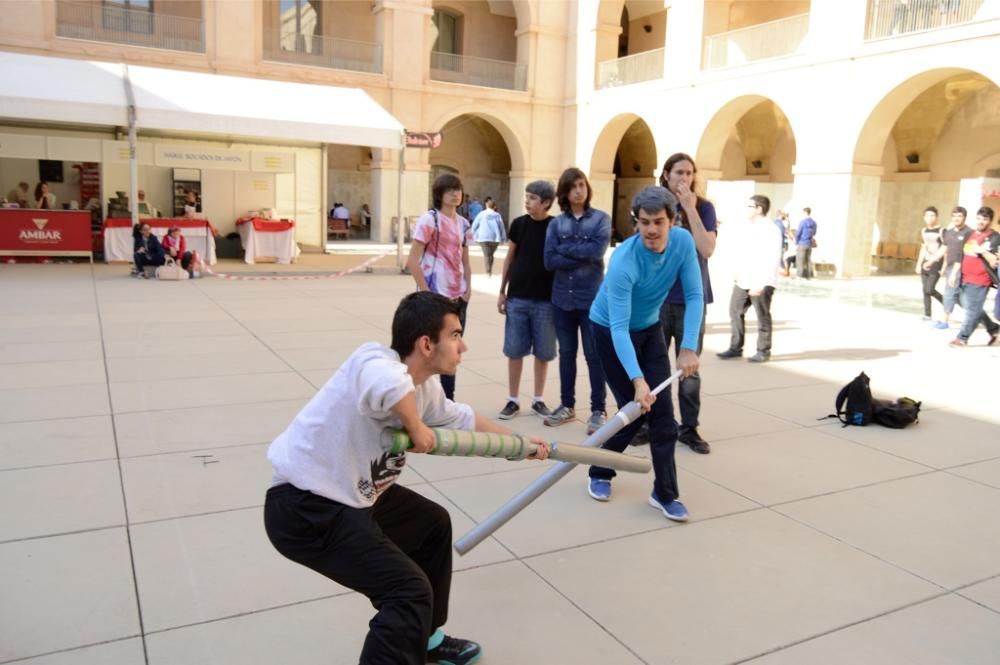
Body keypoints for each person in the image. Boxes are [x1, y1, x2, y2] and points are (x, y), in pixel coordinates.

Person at [264, 292, 548, 665]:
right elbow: (386, 385)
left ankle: (427, 640)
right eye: (456, 335)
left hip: (356, 496)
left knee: (431, 525)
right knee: (407, 592)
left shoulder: (424, 387)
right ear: (426, 344)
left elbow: (463, 420)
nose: (464, 346)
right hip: (305, 507)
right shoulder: (373, 360)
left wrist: (518, 444)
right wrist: (415, 426)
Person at [586, 186, 702, 522]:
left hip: (650, 330)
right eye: (644, 222)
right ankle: (600, 471)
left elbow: (694, 295)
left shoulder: (682, 243)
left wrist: (688, 347)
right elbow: (619, 327)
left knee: (664, 420)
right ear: (636, 222)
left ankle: (665, 493)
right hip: (609, 331)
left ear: (672, 221)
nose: (651, 230)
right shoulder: (624, 260)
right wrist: (638, 381)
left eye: (659, 222)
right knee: (633, 412)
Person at [656, 153, 717, 455]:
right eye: (679, 172)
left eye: (690, 173)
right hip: (657, 299)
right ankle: (653, 422)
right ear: (666, 174)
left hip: (691, 299)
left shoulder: (704, 208)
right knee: (653, 364)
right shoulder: (656, 207)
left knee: (688, 367)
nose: (684, 178)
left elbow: (706, 249)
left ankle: (689, 428)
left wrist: (690, 209)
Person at [543, 167, 611, 435]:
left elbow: (597, 250)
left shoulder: (601, 219)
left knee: (595, 356)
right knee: (567, 354)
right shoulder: (556, 224)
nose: (579, 190)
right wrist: (579, 254)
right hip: (562, 299)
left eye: (582, 185)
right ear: (565, 192)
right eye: (573, 187)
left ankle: (598, 409)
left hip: (591, 299)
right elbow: (549, 260)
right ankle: (567, 405)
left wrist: (565, 249)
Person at [406, 173, 473, 400]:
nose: (455, 194)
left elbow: (465, 259)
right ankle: (413, 397)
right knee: (425, 349)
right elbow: (412, 260)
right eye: (450, 190)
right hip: (434, 296)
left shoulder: (463, 224)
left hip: (457, 298)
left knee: (452, 351)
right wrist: (426, 291)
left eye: (458, 189)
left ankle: (447, 401)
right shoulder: (430, 220)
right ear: (439, 194)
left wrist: (468, 287)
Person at [497, 180, 557, 420]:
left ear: (546, 202)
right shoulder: (519, 224)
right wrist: (502, 291)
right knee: (515, 350)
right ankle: (512, 399)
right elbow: (510, 258)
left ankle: (538, 399)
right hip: (518, 298)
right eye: (527, 197)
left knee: (543, 352)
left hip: (546, 301)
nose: (527, 201)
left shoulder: (555, 227)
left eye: (532, 198)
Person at [717, 195, 784, 362]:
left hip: (761, 281)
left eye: (749, 206)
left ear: (759, 209)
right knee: (735, 311)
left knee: (762, 316)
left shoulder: (771, 229)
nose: (746, 209)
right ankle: (735, 347)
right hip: (744, 279)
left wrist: (762, 283)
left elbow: (773, 257)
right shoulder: (749, 227)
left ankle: (763, 350)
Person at [950, 207, 999, 347]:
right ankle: (993, 328)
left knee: (972, 309)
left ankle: (962, 337)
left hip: (981, 279)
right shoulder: (969, 234)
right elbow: (961, 254)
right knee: (967, 304)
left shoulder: (994, 237)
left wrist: (982, 251)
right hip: (964, 277)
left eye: (985, 219)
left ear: (990, 221)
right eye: (979, 218)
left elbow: (994, 260)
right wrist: (954, 273)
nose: (981, 221)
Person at [930, 206, 973, 329]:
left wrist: (956, 271)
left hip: (961, 267)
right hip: (950, 267)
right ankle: (981, 317)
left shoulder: (969, 233)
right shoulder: (949, 232)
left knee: (949, 293)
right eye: (954, 216)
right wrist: (931, 261)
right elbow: (944, 249)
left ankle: (944, 320)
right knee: (960, 297)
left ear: (964, 217)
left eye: (959, 216)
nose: (956, 218)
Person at [915, 206, 944, 321]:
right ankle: (927, 314)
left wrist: (944, 266)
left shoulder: (941, 231)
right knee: (925, 290)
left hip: (936, 262)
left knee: (929, 289)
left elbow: (945, 250)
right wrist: (918, 264)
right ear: (924, 218)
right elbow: (924, 247)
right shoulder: (923, 231)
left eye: (932, 215)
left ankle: (946, 303)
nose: (930, 218)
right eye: (927, 215)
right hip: (925, 261)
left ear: (936, 217)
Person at [471, 196, 506, 277]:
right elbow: (502, 227)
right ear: (494, 206)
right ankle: (489, 270)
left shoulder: (481, 214)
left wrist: (473, 235)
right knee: (490, 255)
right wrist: (503, 238)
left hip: (483, 238)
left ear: (486, 205)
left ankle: (488, 272)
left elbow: (474, 226)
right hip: (495, 238)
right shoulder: (497, 215)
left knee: (487, 255)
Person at [794, 206, 817, 279]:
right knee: (808, 260)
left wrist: (796, 241)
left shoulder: (803, 222)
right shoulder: (814, 223)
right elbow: (814, 233)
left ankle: (799, 275)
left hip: (802, 243)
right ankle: (808, 275)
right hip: (809, 243)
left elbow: (798, 233)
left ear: (805, 212)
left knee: (800, 260)